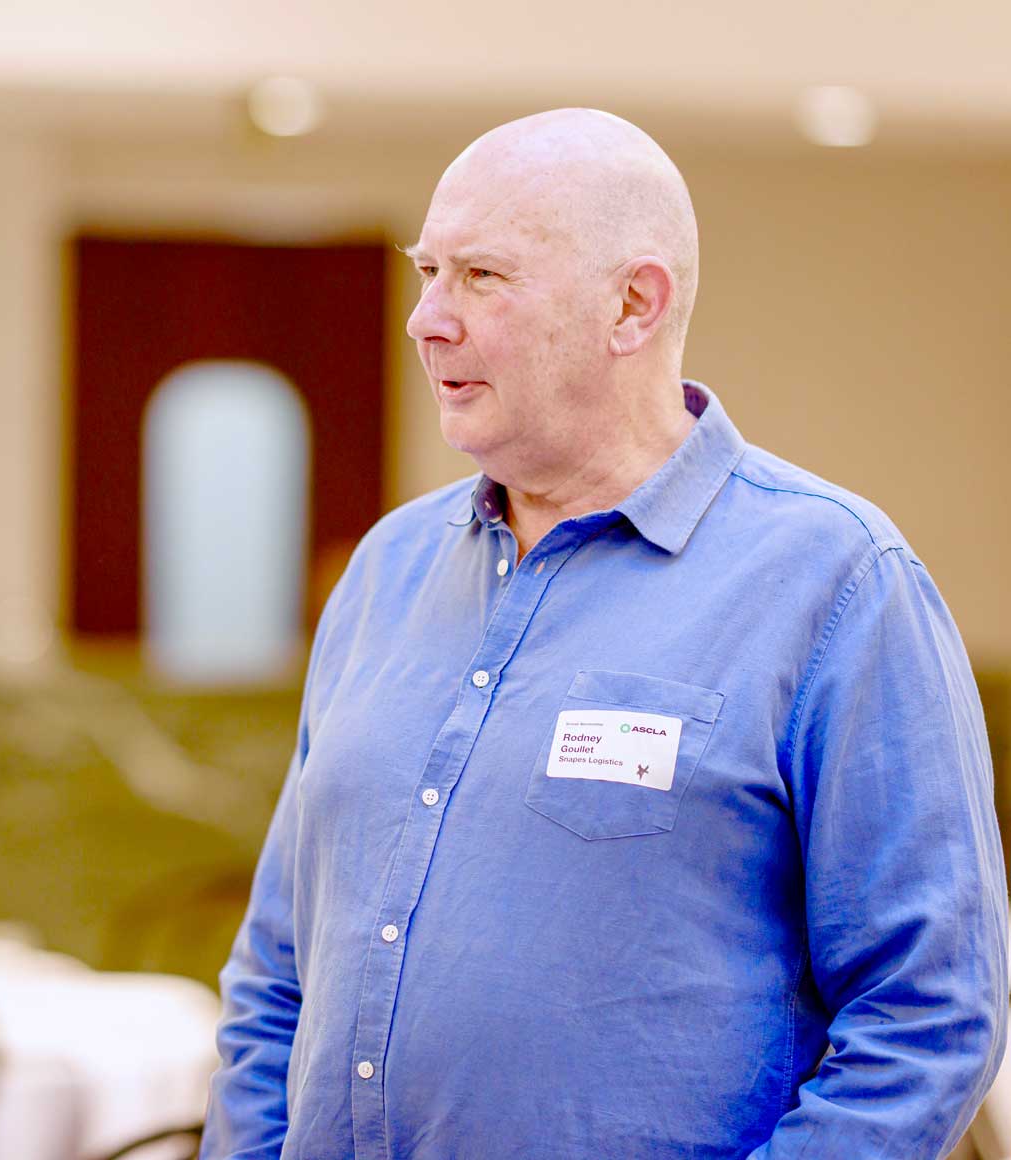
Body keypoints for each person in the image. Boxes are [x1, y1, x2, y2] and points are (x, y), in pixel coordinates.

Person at [202, 109, 1007, 1159]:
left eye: (482, 276)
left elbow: (929, 1012)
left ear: (634, 304)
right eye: (428, 271)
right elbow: (277, 970)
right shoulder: (384, 571)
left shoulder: (838, 582)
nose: (427, 320)